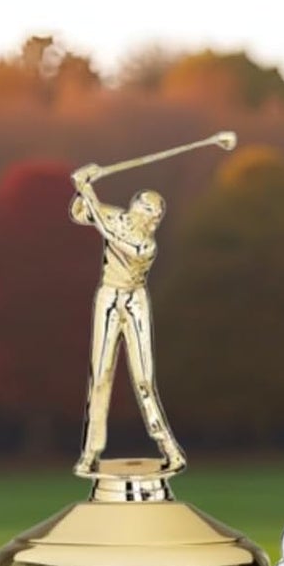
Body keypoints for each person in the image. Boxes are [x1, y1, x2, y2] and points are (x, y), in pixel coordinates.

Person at [70, 164, 185, 478]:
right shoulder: (117, 217)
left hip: (135, 301)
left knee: (144, 380)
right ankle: (90, 453)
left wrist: (88, 190)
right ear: (137, 210)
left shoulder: (146, 246)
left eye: (158, 217)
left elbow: (109, 234)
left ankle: (170, 451)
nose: (154, 222)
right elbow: (80, 213)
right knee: (101, 375)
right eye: (150, 214)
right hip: (108, 298)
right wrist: (83, 185)